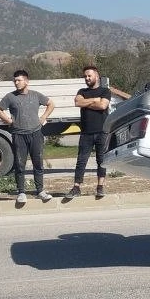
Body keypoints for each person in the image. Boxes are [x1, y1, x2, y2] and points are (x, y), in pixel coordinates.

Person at [0, 70, 54, 206]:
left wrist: (43, 117)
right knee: (20, 164)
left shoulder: (36, 95)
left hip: (36, 133)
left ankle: (40, 191)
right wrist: (8, 120)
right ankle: (21, 192)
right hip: (19, 135)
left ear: (26, 81)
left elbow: (51, 104)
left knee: (38, 163)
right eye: (14, 81)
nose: (16, 83)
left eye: (19, 80)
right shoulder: (10, 97)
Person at [66, 65, 112, 201]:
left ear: (96, 76)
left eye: (89, 76)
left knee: (101, 161)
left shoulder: (105, 91)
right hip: (86, 132)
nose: (87, 78)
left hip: (102, 131)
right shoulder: (82, 90)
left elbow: (103, 105)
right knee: (81, 161)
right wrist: (94, 100)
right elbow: (77, 102)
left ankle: (100, 187)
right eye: (85, 76)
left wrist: (85, 103)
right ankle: (76, 187)